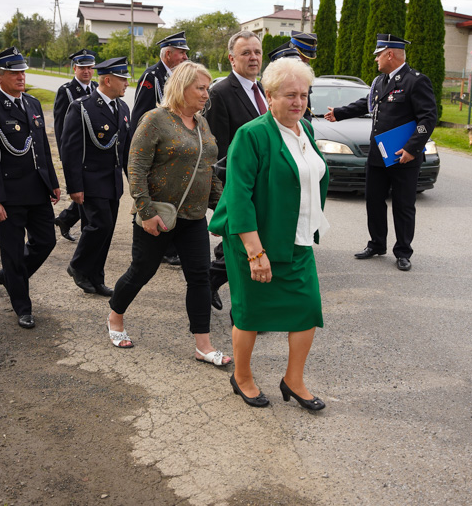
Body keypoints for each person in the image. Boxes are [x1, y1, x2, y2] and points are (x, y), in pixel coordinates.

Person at [209, 58, 329, 410]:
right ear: (270, 95)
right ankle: (242, 377)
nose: (298, 102)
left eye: (304, 95)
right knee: (250, 314)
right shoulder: (252, 135)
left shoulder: (304, 130)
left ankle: (294, 380)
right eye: (289, 95)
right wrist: (254, 251)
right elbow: (239, 196)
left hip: (297, 238)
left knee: (307, 310)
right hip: (254, 240)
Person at [107, 61, 230, 366]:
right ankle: (115, 317)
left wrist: (225, 209)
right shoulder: (155, 120)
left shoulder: (201, 123)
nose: (206, 93)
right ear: (181, 87)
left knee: (200, 277)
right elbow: (135, 168)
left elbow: (208, 172)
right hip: (158, 216)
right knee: (142, 271)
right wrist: (145, 211)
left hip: (193, 218)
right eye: (200, 88)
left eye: (207, 87)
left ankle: (203, 345)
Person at [324, 34, 436, 272]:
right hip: (378, 154)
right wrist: (339, 113)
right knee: (374, 201)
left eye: (378, 54)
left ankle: (403, 252)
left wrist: (412, 148)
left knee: (403, 205)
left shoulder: (416, 81)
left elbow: (428, 118)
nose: (375, 59)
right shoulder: (380, 81)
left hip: (403, 156)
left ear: (390, 54)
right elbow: (366, 104)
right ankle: (376, 244)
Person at [0, 47, 61, 329]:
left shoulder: (33, 104)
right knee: (12, 252)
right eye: (14, 73)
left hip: (37, 190)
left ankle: (10, 277)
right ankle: (22, 306)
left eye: (22, 71)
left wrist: (54, 183)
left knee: (46, 241)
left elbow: (43, 148)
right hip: (9, 195)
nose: (21, 76)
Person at [204, 30, 266, 311]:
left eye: (257, 52)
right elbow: (218, 150)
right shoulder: (220, 93)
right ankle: (242, 312)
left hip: (262, 182)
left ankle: (209, 283)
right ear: (231, 58)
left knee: (243, 245)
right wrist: (224, 194)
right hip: (238, 184)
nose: (253, 58)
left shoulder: (261, 88)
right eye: (246, 53)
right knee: (241, 246)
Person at [61, 57, 131, 297]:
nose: (126, 85)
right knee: (99, 225)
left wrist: (134, 183)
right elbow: (70, 150)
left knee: (107, 230)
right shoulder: (82, 107)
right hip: (91, 180)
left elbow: (125, 150)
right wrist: (74, 186)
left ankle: (96, 277)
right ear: (108, 79)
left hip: (112, 182)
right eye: (122, 79)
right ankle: (78, 266)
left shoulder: (122, 108)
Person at [132, 31, 191, 267]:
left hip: (176, 147)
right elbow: (141, 115)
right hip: (157, 148)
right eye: (181, 53)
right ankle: (155, 246)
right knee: (156, 195)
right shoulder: (152, 77)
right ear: (167, 55)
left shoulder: (180, 77)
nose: (186, 56)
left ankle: (171, 244)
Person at [53, 49, 98, 242]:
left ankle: (66, 219)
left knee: (90, 191)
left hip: (94, 150)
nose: (86, 71)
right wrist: (65, 153)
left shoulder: (96, 87)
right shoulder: (67, 91)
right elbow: (59, 125)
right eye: (82, 68)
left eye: (89, 67)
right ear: (74, 68)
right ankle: (86, 230)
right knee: (83, 191)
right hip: (77, 152)